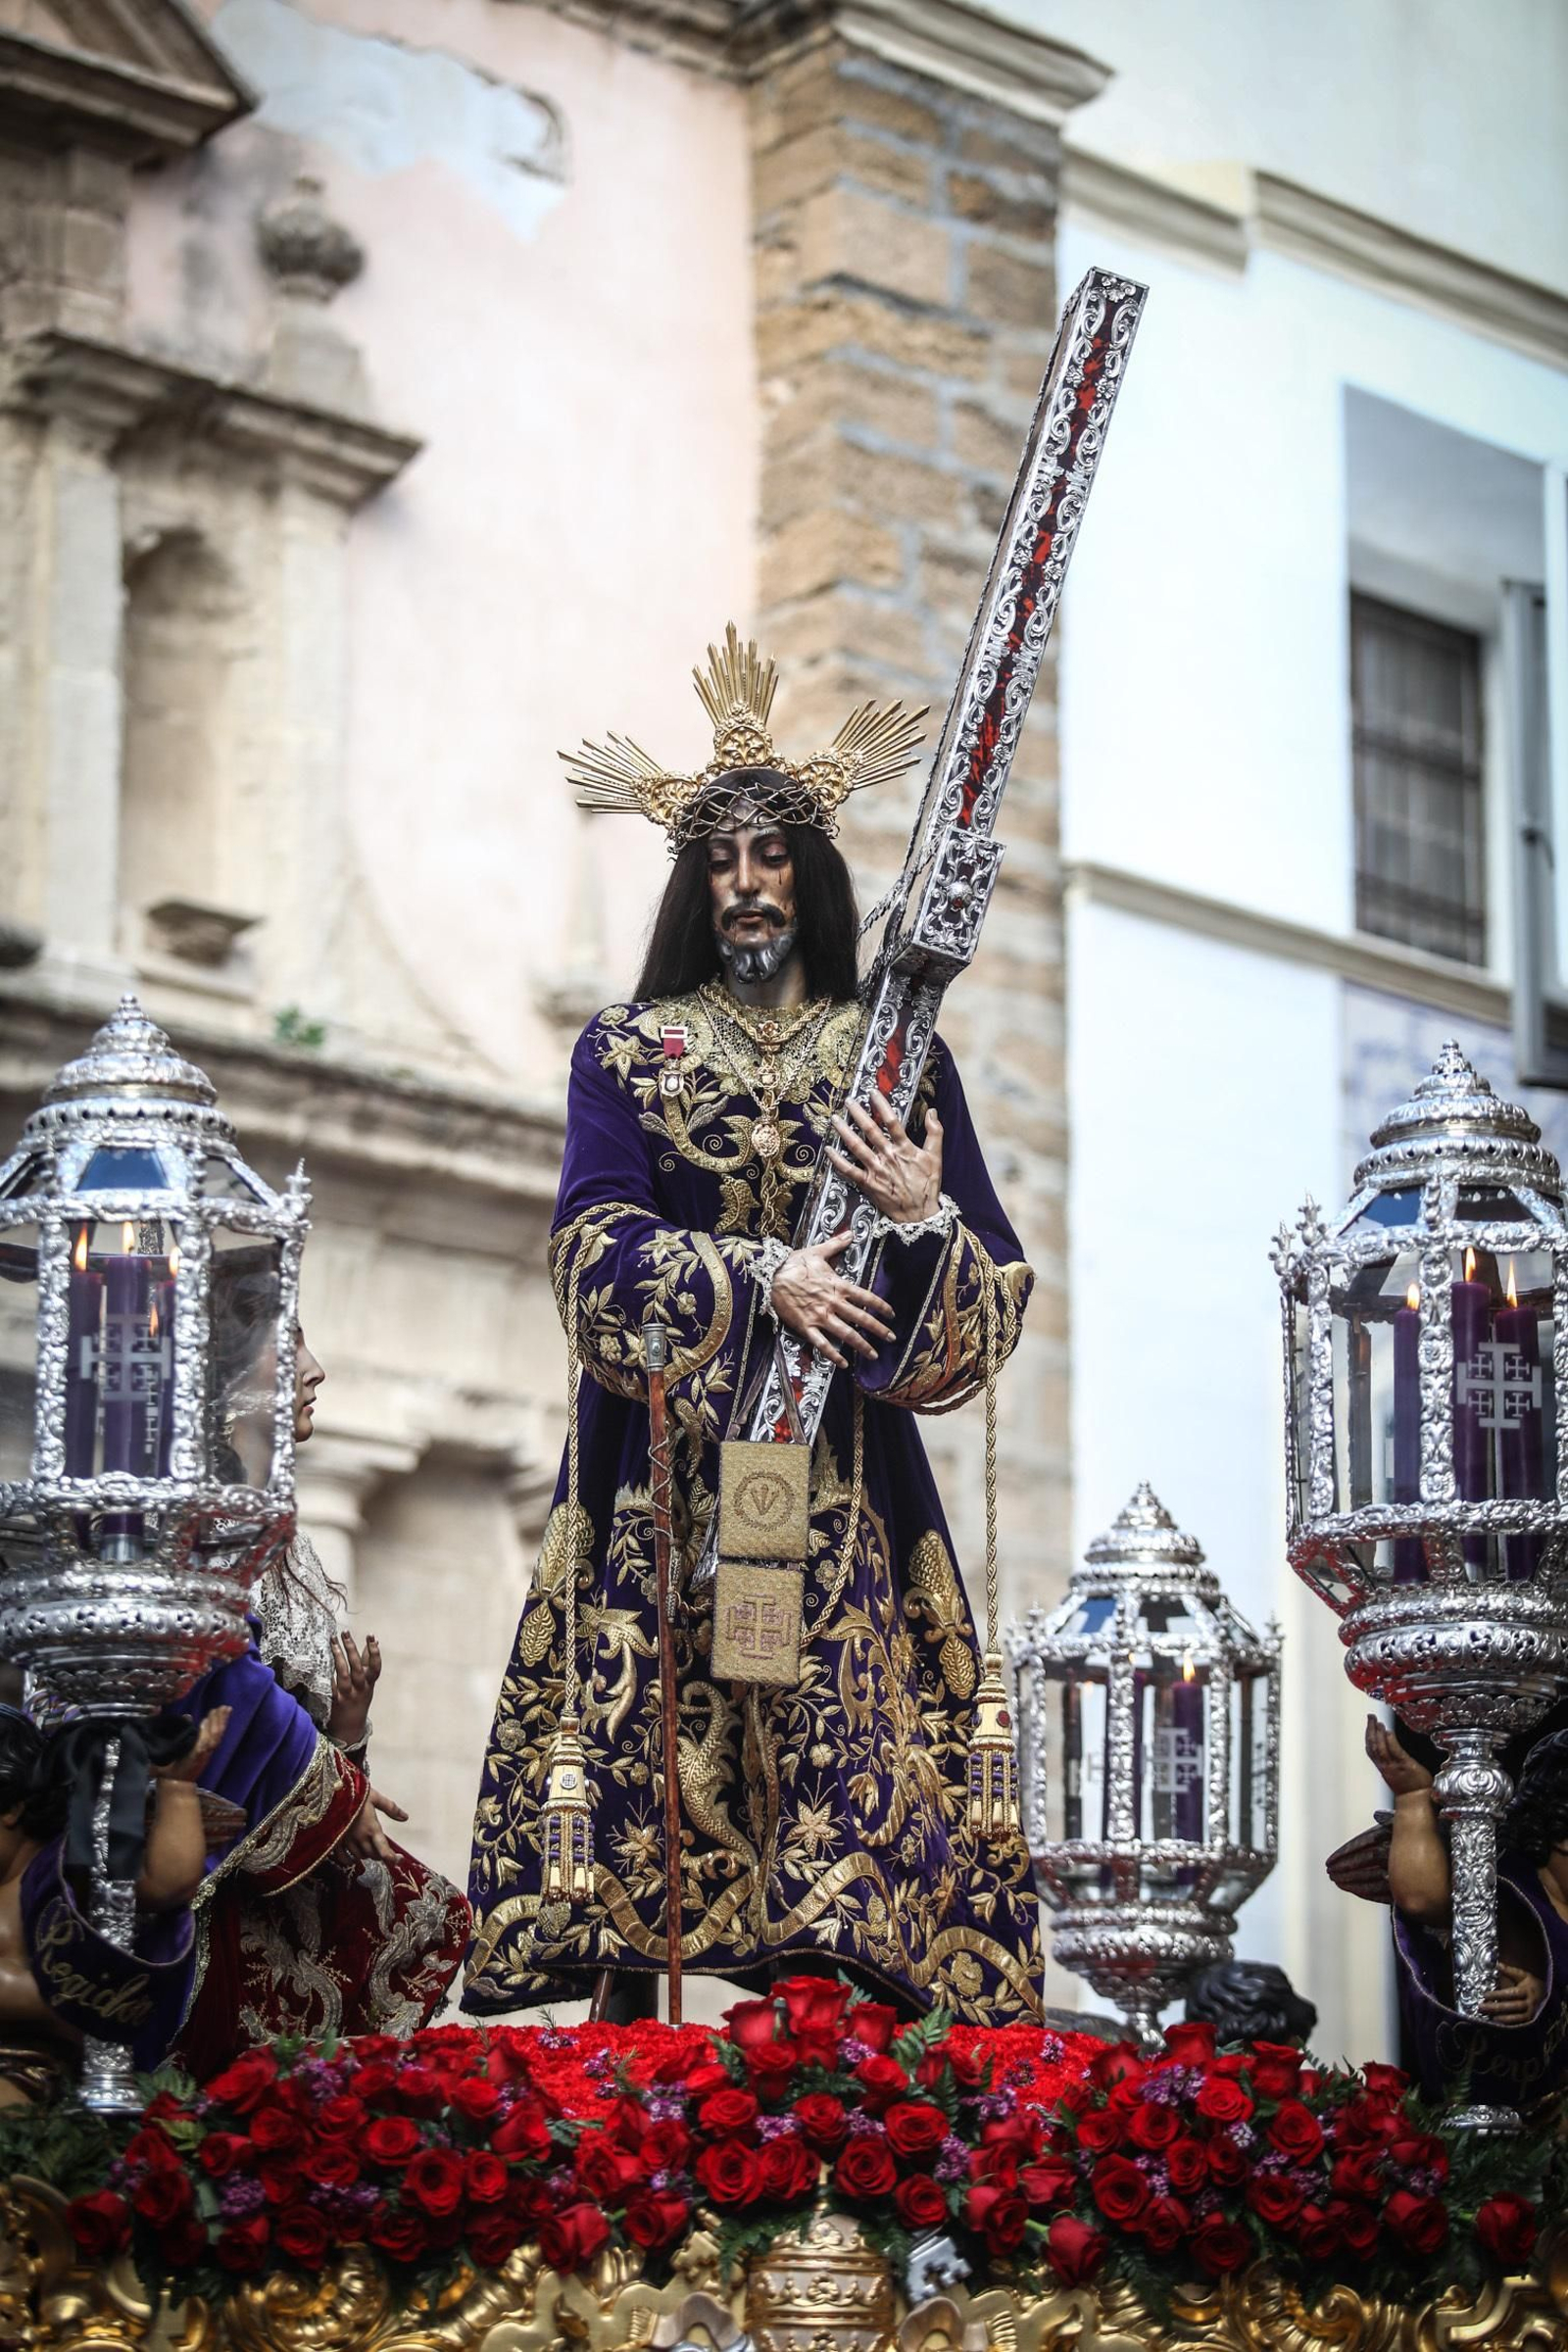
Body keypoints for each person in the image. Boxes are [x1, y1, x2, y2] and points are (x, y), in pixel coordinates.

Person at [466, 626, 1044, 2024]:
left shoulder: (894, 1054)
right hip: (666, 1483)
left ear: (812, 875)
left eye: (771, 856)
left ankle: (830, 2073)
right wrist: (756, 1279)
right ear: (692, 885)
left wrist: (916, 1219)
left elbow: (990, 1297)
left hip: (843, 1490)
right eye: (718, 861)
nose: (744, 883)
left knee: (842, 1803)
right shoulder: (629, 1052)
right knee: (643, 1813)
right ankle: (631, 2090)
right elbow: (590, 1249)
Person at [165, 1330, 471, 2075]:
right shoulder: (199, 1503)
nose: (315, 1369)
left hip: (265, 1887)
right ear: (222, 1367)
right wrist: (337, 1788)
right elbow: (218, 1673)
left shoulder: (268, 1519)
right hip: (198, 1878)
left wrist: (346, 1735)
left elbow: (276, 1711)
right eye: (287, 1342)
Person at [0, 1702, 226, 2098]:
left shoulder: (60, 1872)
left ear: (12, 1806)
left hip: (27, 2071)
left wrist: (178, 1786)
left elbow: (168, 1883)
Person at [1366, 1714, 1568, 2113]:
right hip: (1502, 2121)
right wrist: (1411, 1800)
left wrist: (1546, 1994)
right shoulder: (1507, 1885)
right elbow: (1423, 1900)